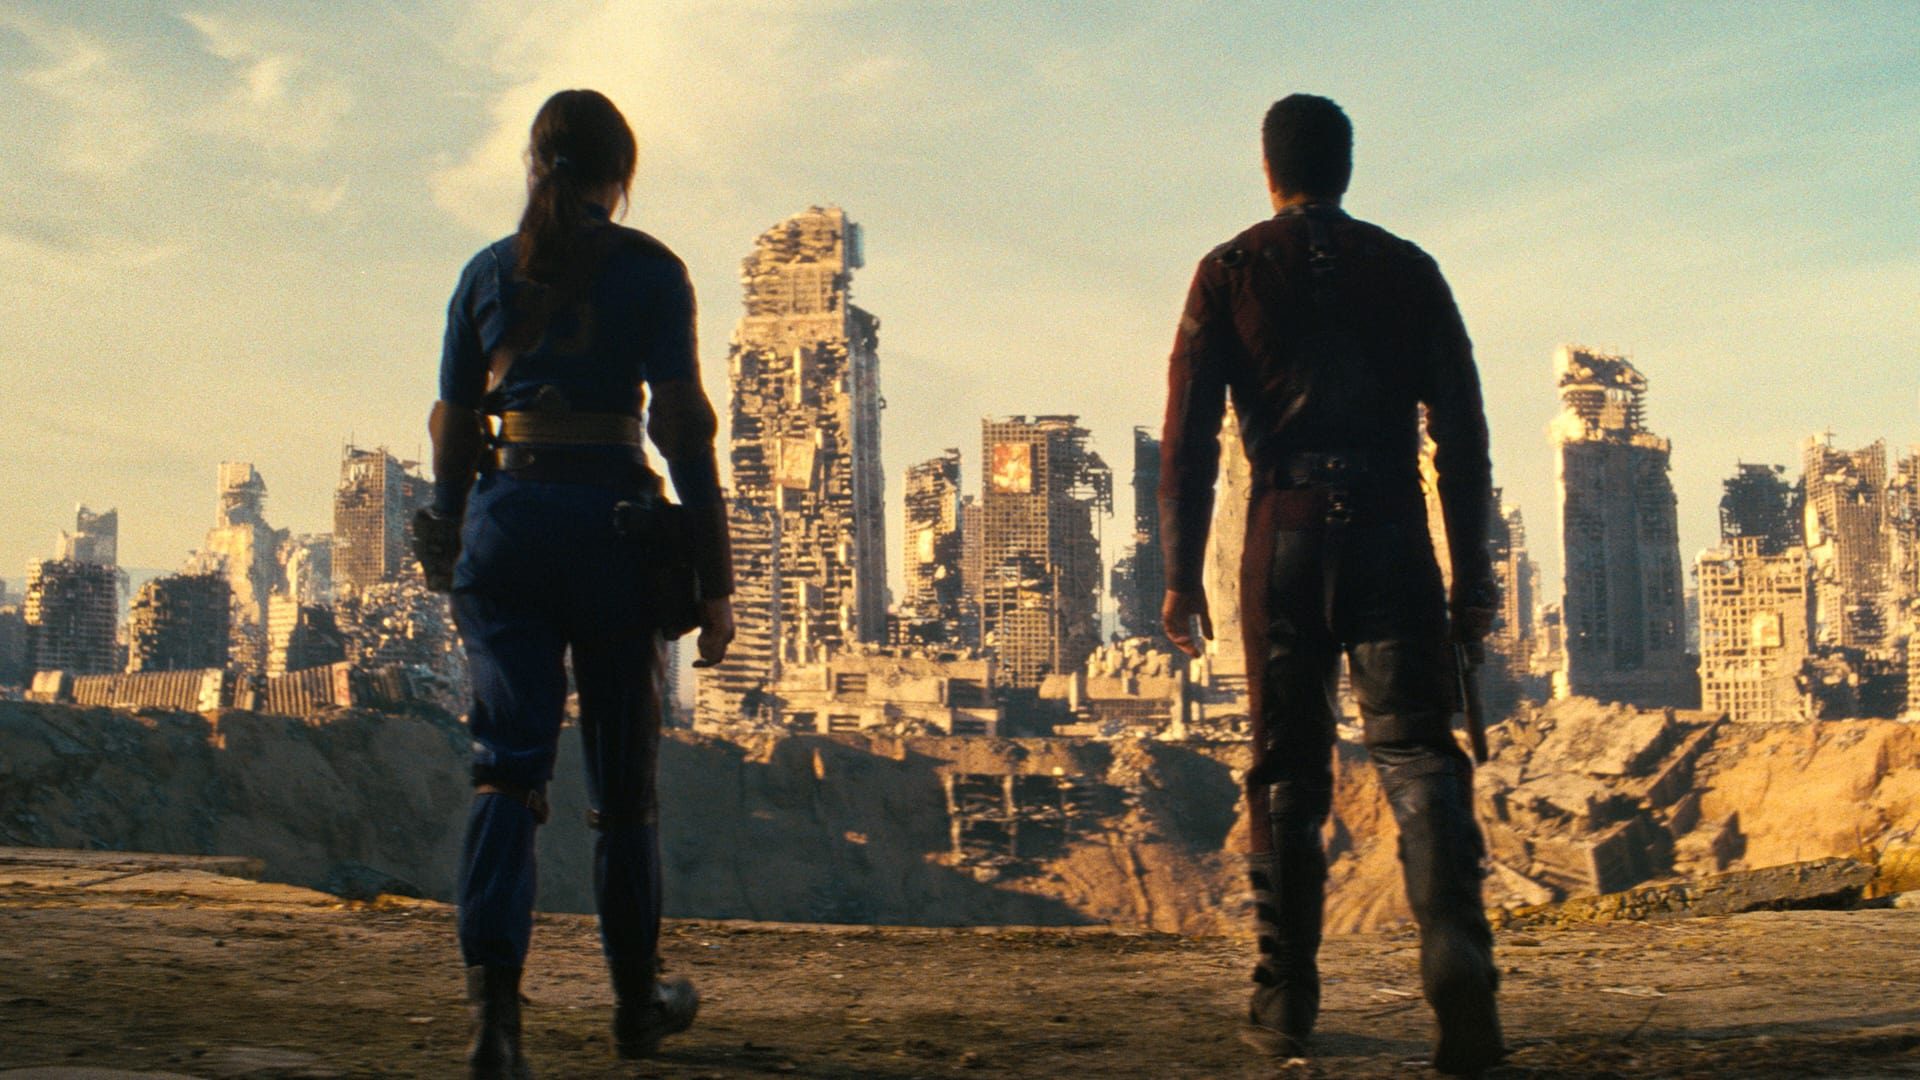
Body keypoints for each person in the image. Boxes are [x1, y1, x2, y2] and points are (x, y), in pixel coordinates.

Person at [1157, 94, 1505, 1075]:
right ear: (1346, 166)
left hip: (1284, 539)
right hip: (1394, 536)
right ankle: (1460, 970)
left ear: (1269, 170)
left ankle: (1283, 1001)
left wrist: (1181, 577)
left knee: (1286, 773)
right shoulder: (1409, 268)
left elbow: (1186, 441)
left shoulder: (1228, 271)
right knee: (1420, 755)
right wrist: (1473, 576)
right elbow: (1463, 437)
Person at [414, 88, 735, 1080]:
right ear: (620, 177)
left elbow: (451, 423)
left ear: (533, 165)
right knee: (622, 789)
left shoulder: (484, 274)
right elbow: (681, 426)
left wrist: (455, 524)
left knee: (506, 770)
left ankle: (493, 1027)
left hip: (507, 530)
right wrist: (715, 577)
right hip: (612, 535)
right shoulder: (651, 271)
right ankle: (636, 1008)